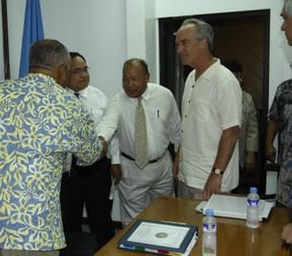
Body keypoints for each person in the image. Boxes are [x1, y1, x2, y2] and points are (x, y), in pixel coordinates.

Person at [0, 39, 107, 256]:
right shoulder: (68, 104)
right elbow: (90, 155)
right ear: (62, 69)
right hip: (29, 232)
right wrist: (102, 142)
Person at [97, 58, 181, 225]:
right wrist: (99, 141)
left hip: (162, 167)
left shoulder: (164, 95)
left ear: (147, 77)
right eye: (125, 79)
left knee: (166, 215)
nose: (129, 84)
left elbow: (176, 128)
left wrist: (179, 156)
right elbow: (107, 125)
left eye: (134, 78)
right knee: (133, 222)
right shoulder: (117, 102)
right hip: (132, 170)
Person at [174, 18, 242, 200]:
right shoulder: (190, 79)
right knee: (187, 227)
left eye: (184, 43)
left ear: (203, 43)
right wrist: (178, 158)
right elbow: (188, 125)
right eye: (177, 44)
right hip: (186, 175)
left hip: (210, 181)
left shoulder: (224, 81)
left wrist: (216, 173)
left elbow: (232, 131)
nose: (179, 50)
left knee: (211, 229)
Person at [60, 52, 115, 249]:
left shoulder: (98, 95)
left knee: (100, 218)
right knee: (70, 219)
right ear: (65, 73)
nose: (84, 75)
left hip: (96, 168)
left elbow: (111, 128)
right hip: (68, 170)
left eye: (85, 69)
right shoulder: (58, 100)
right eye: (77, 71)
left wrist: (115, 160)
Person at [267, 0, 292, 209]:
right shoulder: (285, 89)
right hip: (286, 177)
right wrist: (269, 144)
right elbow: (273, 118)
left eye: (285, 18)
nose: (282, 26)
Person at [222, 59, 259, 170]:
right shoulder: (214, 97)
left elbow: (252, 130)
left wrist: (251, 153)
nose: (237, 79)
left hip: (238, 155)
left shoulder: (247, 99)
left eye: (238, 76)